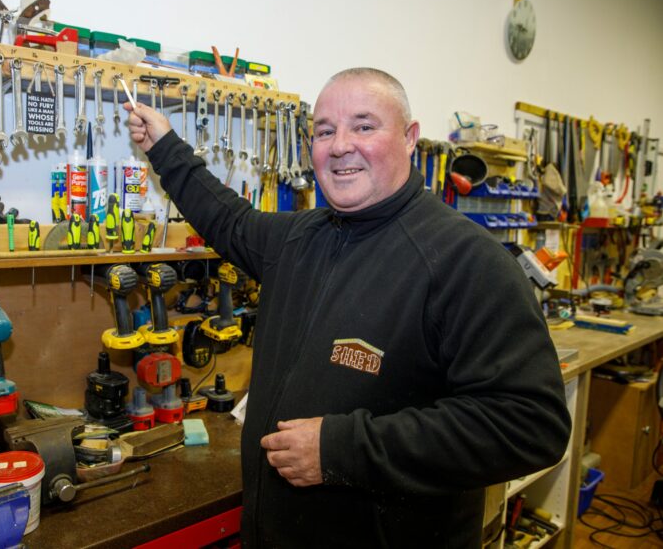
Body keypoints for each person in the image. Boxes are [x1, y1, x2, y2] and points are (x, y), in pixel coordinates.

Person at [125, 68, 571, 548]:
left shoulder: (466, 261)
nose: (339, 146)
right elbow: (228, 219)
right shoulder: (298, 238)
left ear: (410, 138)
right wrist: (164, 146)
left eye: (363, 126)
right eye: (324, 131)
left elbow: (530, 424)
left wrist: (342, 449)